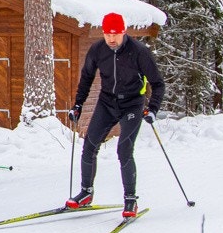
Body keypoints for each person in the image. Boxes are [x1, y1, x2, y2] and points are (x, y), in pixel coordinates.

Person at [67, 12, 164, 218]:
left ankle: (130, 200)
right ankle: (86, 193)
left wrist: (153, 109)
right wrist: (78, 105)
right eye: (107, 34)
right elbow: (86, 78)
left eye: (116, 34)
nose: (111, 39)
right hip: (107, 101)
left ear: (123, 32)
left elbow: (158, 83)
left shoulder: (139, 52)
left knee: (124, 149)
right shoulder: (97, 50)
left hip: (132, 104)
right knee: (89, 145)